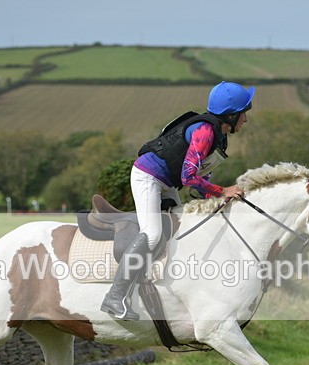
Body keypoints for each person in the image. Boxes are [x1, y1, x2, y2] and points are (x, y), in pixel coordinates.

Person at [100, 81, 255, 320]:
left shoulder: (220, 135)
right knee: (152, 233)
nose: (246, 119)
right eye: (244, 113)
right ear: (232, 115)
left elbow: (202, 171)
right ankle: (115, 296)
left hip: (167, 182)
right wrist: (222, 190)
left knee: (182, 227)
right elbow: (188, 176)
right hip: (148, 177)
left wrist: (214, 199)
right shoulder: (205, 131)